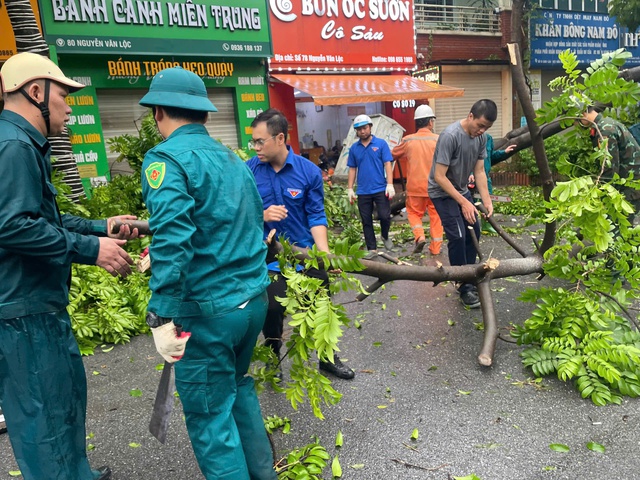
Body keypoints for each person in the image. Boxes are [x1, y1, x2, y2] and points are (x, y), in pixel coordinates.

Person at [0, 52, 139, 480]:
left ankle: (77, 472)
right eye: (64, 95)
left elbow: (44, 221)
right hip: (25, 313)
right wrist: (91, 249)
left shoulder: (21, 143)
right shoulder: (13, 146)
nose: (69, 106)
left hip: (37, 307)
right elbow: (12, 227)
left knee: (64, 404)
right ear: (36, 92)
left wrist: (104, 227)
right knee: (45, 422)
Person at [139, 67, 277, 479]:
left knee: (209, 417)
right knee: (237, 391)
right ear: (201, 113)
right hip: (252, 302)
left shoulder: (164, 159)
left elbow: (174, 236)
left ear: (159, 111)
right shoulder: (233, 159)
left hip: (208, 314)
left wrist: (161, 313)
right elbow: (250, 223)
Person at [246, 108, 355, 380]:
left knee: (321, 305)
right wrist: (262, 215)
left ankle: (327, 358)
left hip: (304, 253)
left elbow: (316, 215)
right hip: (268, 258)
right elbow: (235, 212)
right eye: (253, 141)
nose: (255, 147)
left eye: (260, 141)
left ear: (280, 138)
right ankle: (273, 358)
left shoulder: (308, 172)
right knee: (271, 309)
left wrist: (325, 254)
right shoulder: (248, 171)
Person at [427, 99, 496, 309]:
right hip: (442, 192)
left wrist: (486, 200)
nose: (481, 131)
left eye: (486, 128)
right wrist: (464, 202)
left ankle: (470, 275)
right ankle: (462, 285)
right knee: (457, 234)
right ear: (470, 116)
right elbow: (439, 176)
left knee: (474, 229)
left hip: (462, 190)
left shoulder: (481, 138)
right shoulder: (450, 136)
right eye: (480, 125)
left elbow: (480, 171)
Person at [392, 104, 443, 255]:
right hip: (435, 187)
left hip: (415, 188)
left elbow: (392, 154)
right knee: (436, 217)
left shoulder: (408, 140)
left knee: (414, 214)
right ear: (430, 122)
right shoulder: (438, 140)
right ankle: (435, 249)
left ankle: (419, 236)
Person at [581, 102, 640, 222]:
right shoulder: (606, 123)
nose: (575, 124)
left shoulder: (605, 130)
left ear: (582, 114)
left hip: (630, 185)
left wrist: (599, 194)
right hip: (630, 181)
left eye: (576, 120)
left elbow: (609, 168)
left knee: (620, 229)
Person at [347, 114, 395, 256]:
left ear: (370, 127)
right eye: (359, 129)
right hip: (363, 190)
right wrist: (350, 188)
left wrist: (390, 184)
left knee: (385, 216)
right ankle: (372, 248)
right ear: (356, 131)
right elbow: (352, 168)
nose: (362, 131)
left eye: (365, 128)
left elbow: (387, 163)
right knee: (366, 219)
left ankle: (385, 235)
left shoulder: (381, 144)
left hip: (380, 187)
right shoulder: (354, 149)